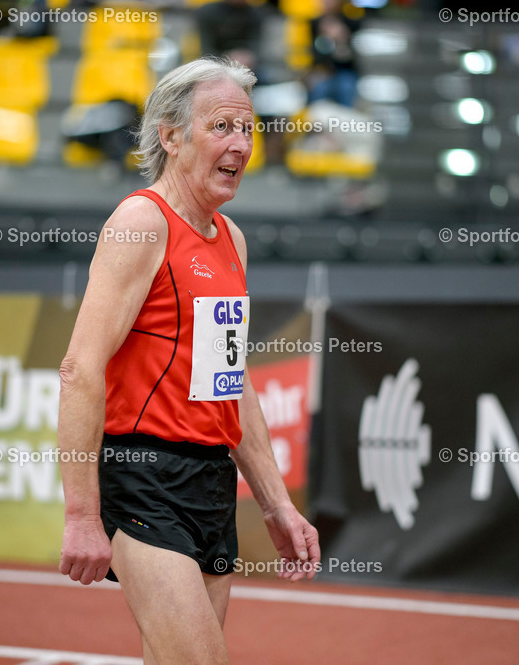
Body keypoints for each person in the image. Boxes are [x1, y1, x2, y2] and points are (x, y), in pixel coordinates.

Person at [57, 57, 321, 664]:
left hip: (211, 485)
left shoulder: (232, 239)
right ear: (171, 137)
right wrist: (82, 514)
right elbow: (79, 369)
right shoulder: (140, 222)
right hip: (143, 480)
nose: (241, 145)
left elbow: (231, 382)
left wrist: (277, 504)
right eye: (222, 127)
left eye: (247, 129)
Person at [308, 0, 360, 107]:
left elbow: (350, 57)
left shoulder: (350, 23)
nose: (328, 1)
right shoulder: (314, 23)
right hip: (320, 71)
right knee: (319, 87)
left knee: (346, 85)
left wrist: (342, 38)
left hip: (344, 72)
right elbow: (310, 53)